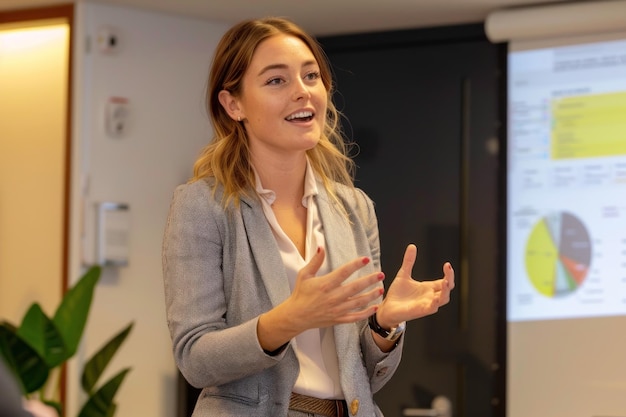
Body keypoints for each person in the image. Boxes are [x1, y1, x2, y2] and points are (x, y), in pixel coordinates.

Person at [162, 16, 455, 417]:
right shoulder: (203, 206)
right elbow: (195, 358)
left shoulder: (354, 208)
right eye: (276, 80)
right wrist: (287, 320)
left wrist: (385, 324)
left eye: (311, 75)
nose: (302, 92)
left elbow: (364, 378)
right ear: (233, 104)